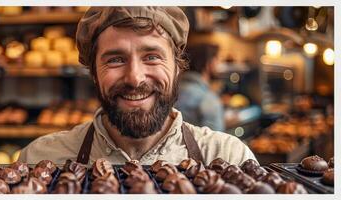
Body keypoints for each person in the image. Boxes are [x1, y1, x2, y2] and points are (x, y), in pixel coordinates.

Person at [19, 7, 256, 166]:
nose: (134, 78)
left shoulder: (228, 157)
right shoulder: (42, 159)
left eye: (152, 56)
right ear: (93, 72)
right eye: (115, 59)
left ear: (177, 66)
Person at [175, 44, 225, 131]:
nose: (219, 64)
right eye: (216, 60)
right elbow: (215, 142)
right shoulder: (208, 99)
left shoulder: (172, 91)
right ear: (207, 63)